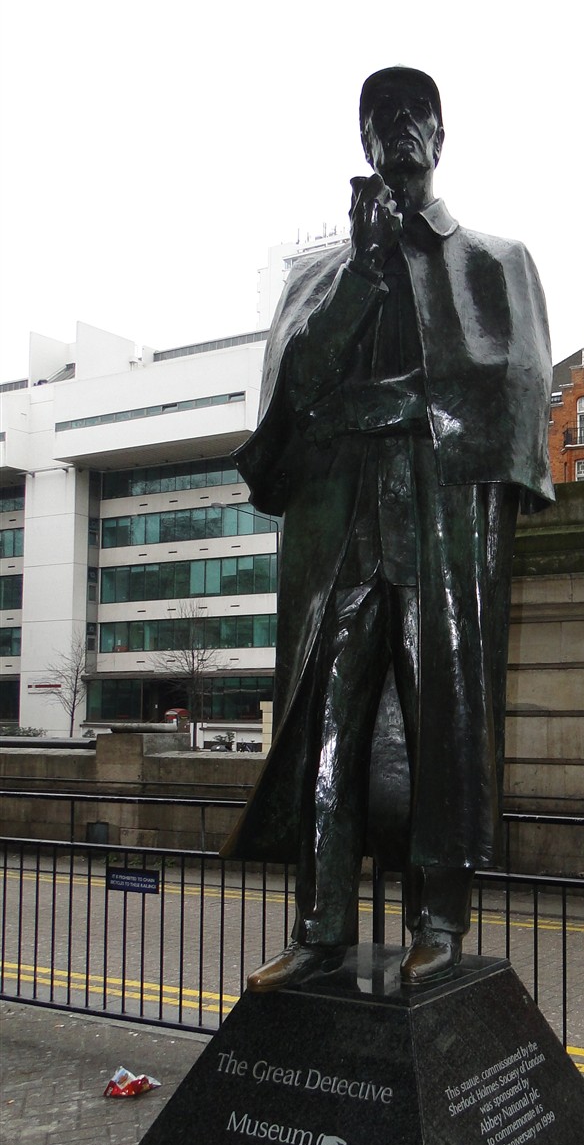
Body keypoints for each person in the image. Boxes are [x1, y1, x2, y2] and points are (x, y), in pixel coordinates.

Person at [221, 67, 554, 990]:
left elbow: (514, 391)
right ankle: (321, 925)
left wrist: (388, 405)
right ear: (364, 143)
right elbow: (292, 398)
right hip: (342, 538)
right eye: (383, 117)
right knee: (328, 730)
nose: (402, 127)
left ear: (441, 137)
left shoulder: (495, 262)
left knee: (444, 722)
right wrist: (363, 275)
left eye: (417, 114)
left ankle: (438, 920)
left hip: (436, 528)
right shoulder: (317, 277)